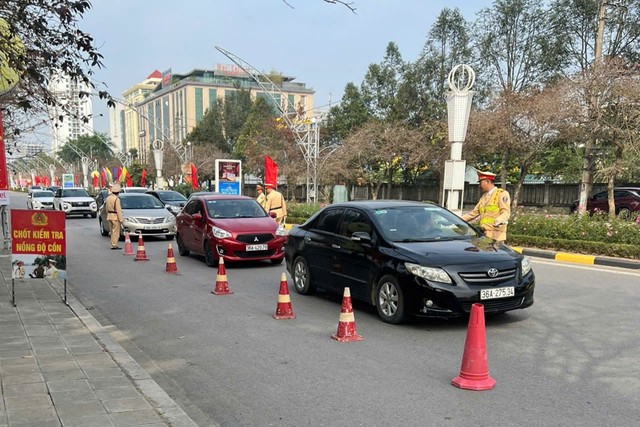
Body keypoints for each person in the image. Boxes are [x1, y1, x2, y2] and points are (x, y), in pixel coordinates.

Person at [462, 170, 511, 244]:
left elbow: (506, 212)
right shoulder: (483, 197)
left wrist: (499, 221)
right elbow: (472, 214)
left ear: (487, 181)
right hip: (484, 235)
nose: (479, 186)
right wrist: (455, 220)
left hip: (496, 237)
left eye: (480, 182)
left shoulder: (501, 194)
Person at [105, 182, 124, 250]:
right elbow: (118, 210)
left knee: (111, 231)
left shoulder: (108, 198)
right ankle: (114, 244)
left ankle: (112, 243)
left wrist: (108, 214)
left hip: (109, 215)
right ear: (118, 192)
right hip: (115, 216)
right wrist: (121, 219)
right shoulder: (117, 199)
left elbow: (106, 208)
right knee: (116, 231)